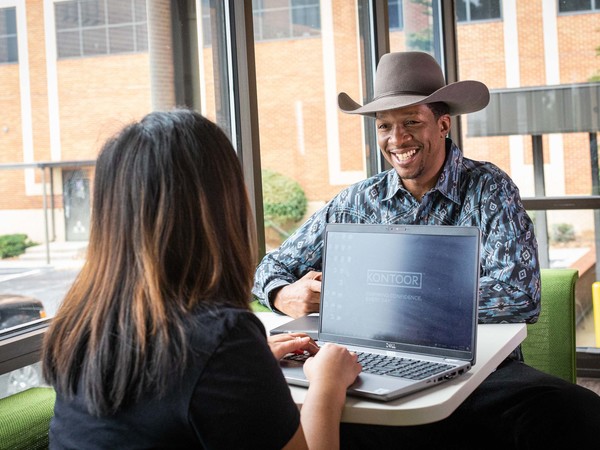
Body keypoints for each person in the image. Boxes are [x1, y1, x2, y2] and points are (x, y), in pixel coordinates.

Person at [253, 52, 600, 448]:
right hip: (368, 365)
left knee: (577, 412)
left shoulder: (489, 188)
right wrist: (282, 293)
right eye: (385, 126)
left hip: (475, 373)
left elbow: (520, 295)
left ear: (443, 124)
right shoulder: (355, 201)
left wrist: (387, 302)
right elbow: (269, 268)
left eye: (411, 122)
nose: (397, 139)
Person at [42, 109, 361, 450]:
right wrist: (328, 382)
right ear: (222, 206)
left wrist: (250, 369)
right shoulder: (221, 339)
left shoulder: (81, 323)